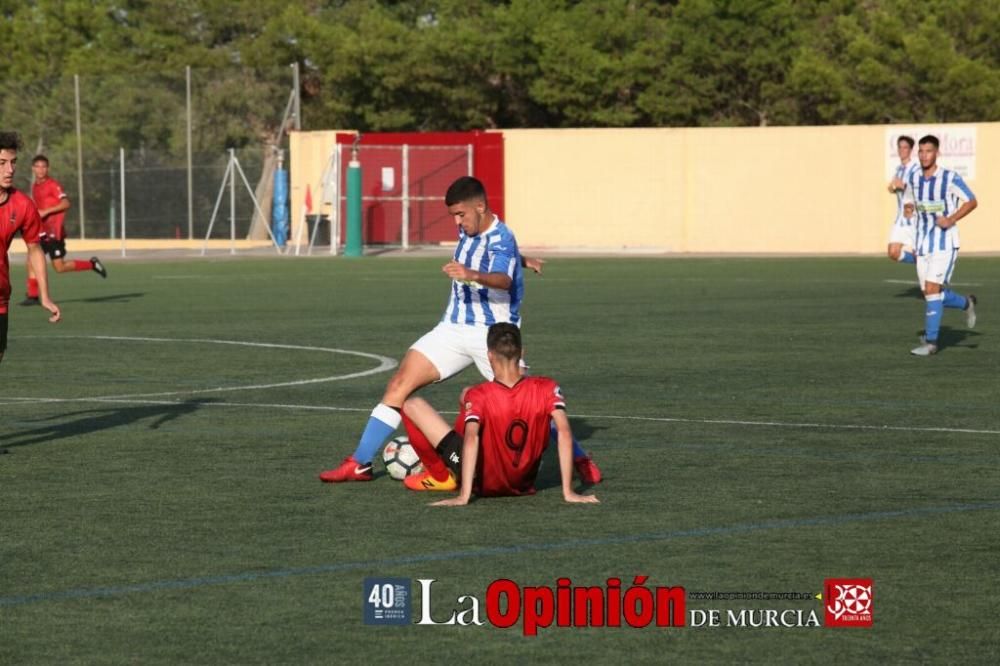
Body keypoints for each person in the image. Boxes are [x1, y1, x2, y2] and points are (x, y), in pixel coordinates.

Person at [320, 176, 601, 483]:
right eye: (454, 215)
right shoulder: (473, 227)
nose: (457, 221)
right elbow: (499, 258)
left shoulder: (502, 237)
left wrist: (471, 273)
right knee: (399, 384)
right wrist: (523, 259)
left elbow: (502, 279)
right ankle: (359, 462)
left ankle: (580, 459)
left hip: (492, 335)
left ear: (480, 207)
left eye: (461, 215)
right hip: (452, 328)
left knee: (528, 407)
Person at [401, 323, 599, 505]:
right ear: (522, 352)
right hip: (523, 482)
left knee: (411, 405)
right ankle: (451, 468)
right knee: (466, 396)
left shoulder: (481, 395)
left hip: (482, 482)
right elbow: (564, 433)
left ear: (489, 355)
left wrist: (464, 496)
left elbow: (472, 439)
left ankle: (440, 476)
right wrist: (568, 492)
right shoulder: (548, 387)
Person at [906, 135, 978, 356]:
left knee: (932, 289)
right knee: (930, 293)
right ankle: (966, 303)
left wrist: (951, 218)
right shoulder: (914, 177)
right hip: (923, 243)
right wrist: (909, 208)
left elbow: (972, 201)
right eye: (921, 151)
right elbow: (910, 199)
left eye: (928, 151)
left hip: (945, 241)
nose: (924, 155)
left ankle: (931, 343)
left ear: (936, 153)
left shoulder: (949, 177)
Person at [0, 131, 62, 365]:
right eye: (2, 163)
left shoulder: (23, 205)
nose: (10, 170)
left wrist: (44, 296)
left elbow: (34, 249)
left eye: (13, 163)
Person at [20, 154, 106, 305]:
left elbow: (66, 203)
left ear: (48, 168)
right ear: (33, 168)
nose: (41, 169)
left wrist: (46, 211)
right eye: (38, 166)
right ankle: (32, 296)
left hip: (54, 232)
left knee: (59, 267)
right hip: (42, 230)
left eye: (44, 166)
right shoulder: (35, 186)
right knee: (31, 259)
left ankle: (92, 264)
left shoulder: (53, 184)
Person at [886, 135, 921, 264]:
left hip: (913, 217)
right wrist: (893, 188)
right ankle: (919, 262)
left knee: (921, 254)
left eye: (905, 147)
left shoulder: (916, 168)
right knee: (893, 252)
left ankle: (937, 280)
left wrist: (904, 186)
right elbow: (896, 187)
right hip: (900, 218)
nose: (902, 150)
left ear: (910, 150)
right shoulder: (899, 169)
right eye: (900, 147)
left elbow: (920, 188)